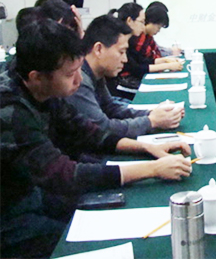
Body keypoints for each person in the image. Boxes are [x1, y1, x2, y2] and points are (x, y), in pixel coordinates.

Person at [0, 20, 192, 258]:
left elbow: (87, 132)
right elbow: (65, 175)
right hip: (11, 213)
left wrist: (147, 148)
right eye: (70, 74)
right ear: (37, 77)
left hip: (34, 194)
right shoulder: (10, 111)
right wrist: (152, 169)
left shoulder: (43, 84)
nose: (79, 81)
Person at [66, 15, 185, 138]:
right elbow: (103, 129)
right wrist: (151, 121)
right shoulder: (79, 81)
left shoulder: (96, 73)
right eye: (121, 52)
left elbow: (112, 108)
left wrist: (152, 114)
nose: (125, 59)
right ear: (99, 49)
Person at [108, 3, 183, 98]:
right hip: (121, 84)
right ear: (129, 21)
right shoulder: (121, 40)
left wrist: (163, 61)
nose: (144, 27)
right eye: (142, 22)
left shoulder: (131, 38)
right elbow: (135, 68)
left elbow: (141, 60)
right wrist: (167, 65)